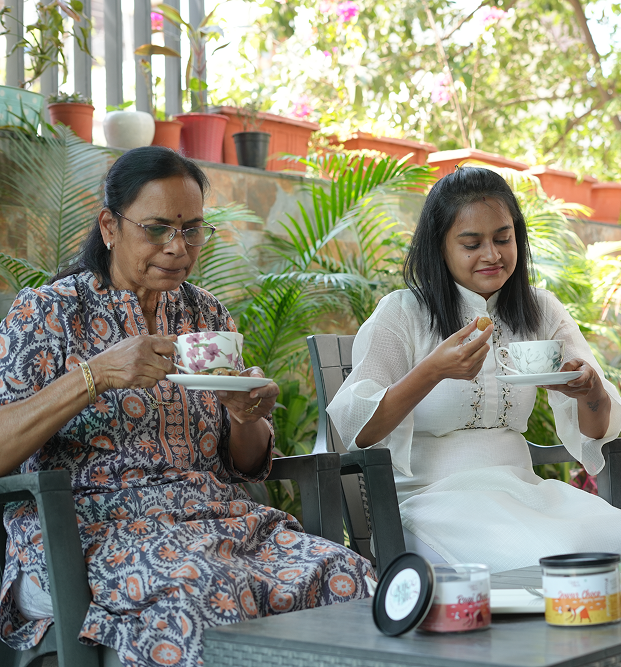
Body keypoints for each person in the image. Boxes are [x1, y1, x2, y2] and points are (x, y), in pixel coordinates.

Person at [0, 147, 373, 667]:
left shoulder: (205, 314)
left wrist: (248, 416)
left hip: (216, 523)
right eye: (157, 229)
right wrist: (96, 375)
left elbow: (244, 463)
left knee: (344, 576)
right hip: (91, 530)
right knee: (205, 591)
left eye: (192, 230)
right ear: (110, 226)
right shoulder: (46, 313)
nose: (179, 248)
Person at [328, 167, 621, 572]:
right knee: (548, 559)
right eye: (471, 243)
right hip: (432, 503)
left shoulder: (541, 309)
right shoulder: (403, 312)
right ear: (439, 247)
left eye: (503, 238)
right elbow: (357, 429)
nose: (493, 255)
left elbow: (597, 429)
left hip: (524, 492)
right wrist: (432, 372)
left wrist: (591, 393)